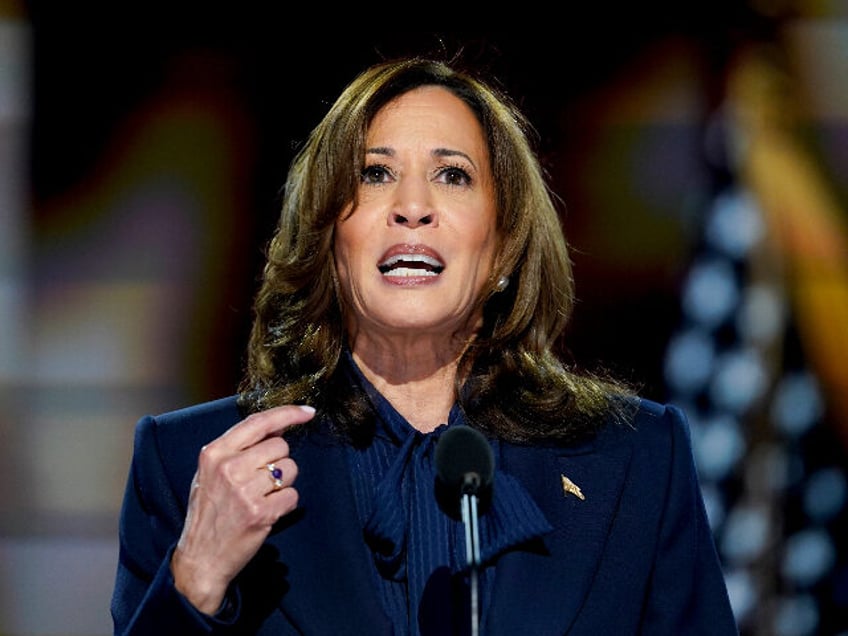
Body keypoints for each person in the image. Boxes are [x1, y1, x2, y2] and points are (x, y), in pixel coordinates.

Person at [110, 54, 739, 635]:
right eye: (375, 173)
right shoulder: (192, 464)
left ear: (503, 247)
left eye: (453, 175)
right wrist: (194, 581)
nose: (412, 206)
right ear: (329, 238)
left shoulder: (635, 459)